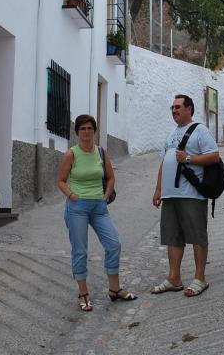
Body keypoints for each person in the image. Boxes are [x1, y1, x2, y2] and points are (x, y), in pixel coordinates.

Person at [57, 114, 136, 311]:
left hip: (99, 207)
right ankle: (83, 293)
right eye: (82, 128)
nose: (86, 132)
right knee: (80, 250)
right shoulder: (71, 154)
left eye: (89, 128)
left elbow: (111, 177)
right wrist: (72, 196)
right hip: (77, 207)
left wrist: (105, 196)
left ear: (94, 131)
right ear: (77, 132)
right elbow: (61, 181)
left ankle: (114, 289)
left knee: (114, 244)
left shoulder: (101, 152)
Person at [151, 94, 220, 297]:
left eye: (178, 107)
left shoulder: (200, 130)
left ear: (189, 109)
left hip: (192, 194)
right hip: (170, 195)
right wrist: (158, 189)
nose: (174, 110)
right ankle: (174, 278)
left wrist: (188, 158)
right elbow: (164, 162)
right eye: (172, 107)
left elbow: (214, 155)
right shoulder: (171, 134)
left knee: (197, 235)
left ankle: (200, 278)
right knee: (173, 237)